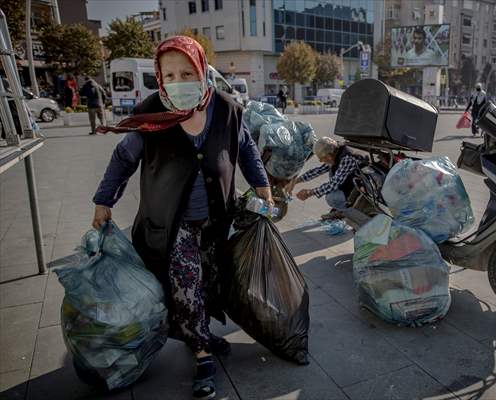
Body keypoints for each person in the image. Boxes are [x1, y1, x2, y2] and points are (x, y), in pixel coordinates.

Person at [92, 36, 272, 399]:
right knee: (185, 285)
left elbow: (246, 148)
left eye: (187, 73)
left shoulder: (226, 107)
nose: (178, 82)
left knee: (210, 281)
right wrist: (104, 200)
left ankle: (200, 333)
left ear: (202, 70)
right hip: (170, 223)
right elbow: (123, 159)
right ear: (159, 77)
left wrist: (262, 184)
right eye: (170, 75)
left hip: (216, 219)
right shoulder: (151, 112)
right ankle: (203, 354)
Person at [287, 136, 361, 220]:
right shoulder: (336, 153)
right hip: (350, 184)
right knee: (331, 170)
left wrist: (309, 193)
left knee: (331, 197)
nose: (321, 161)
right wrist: (296, 181)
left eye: (322, 158)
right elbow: (319, 170)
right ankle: (341, 208)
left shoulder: (346, 159)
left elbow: (332, 185)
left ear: (329, 156)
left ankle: (347, 211)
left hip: (357, 191)